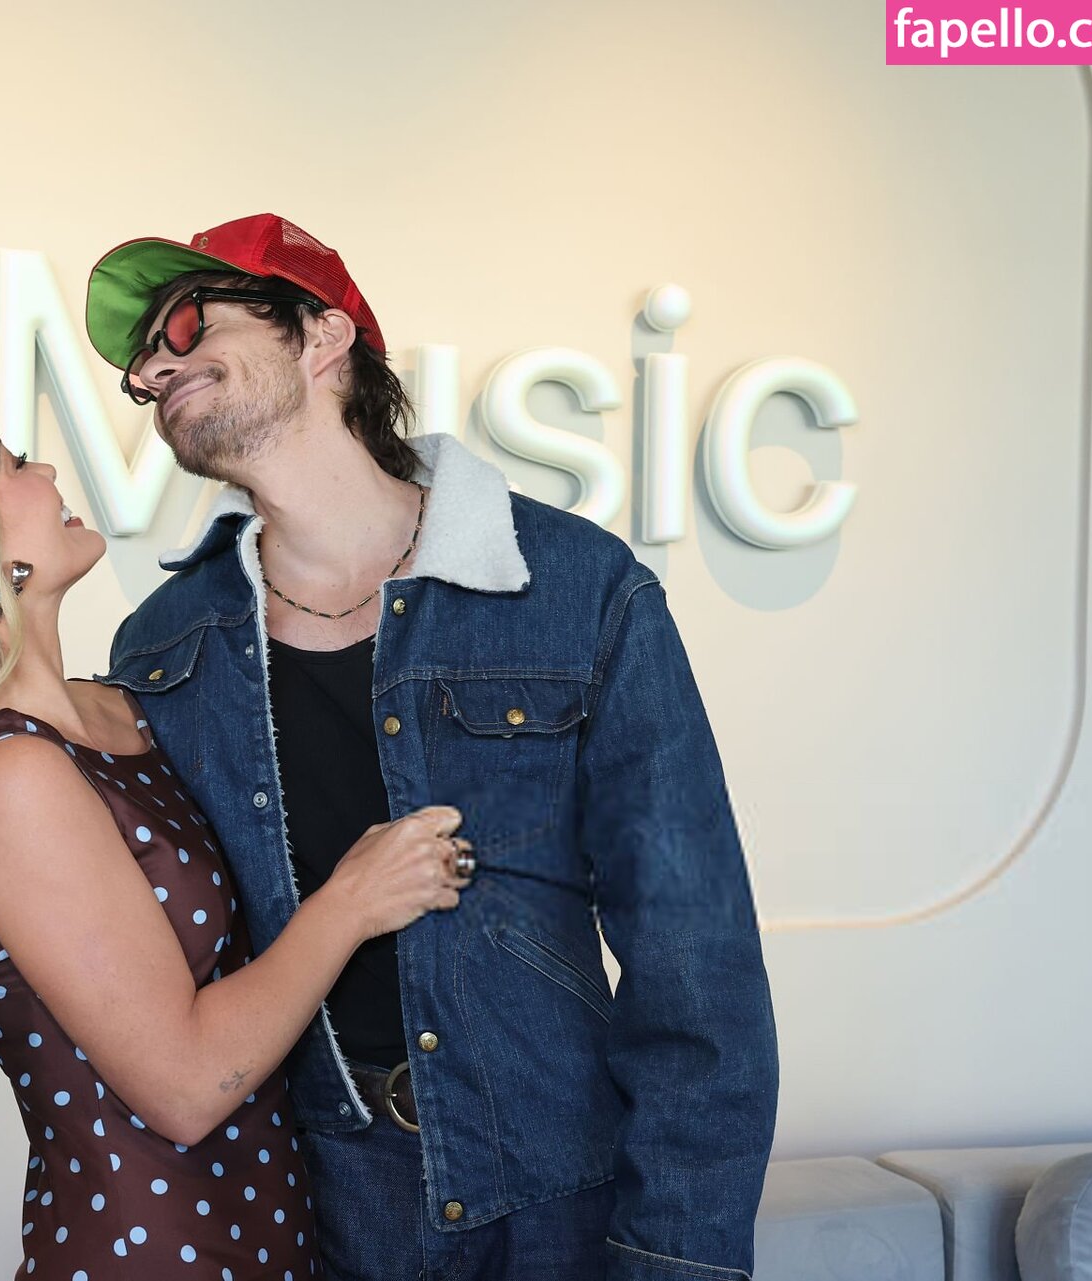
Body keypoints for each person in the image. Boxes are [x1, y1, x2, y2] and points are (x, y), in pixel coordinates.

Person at [84, 213, 780, 1281]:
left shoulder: (578, 589)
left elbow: (696, 961)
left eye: (187, 324)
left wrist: (677, 1255)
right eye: (142, 365)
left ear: (323, 335)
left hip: (558, 1200)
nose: (154, 368)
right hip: (319, 1207)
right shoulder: (164, 649)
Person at [0, 403, 475, 1279]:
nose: (47, 473)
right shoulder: (6, 779)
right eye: (12, 464)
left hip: (270, 1242)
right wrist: (355, 900)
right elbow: (187, 1084)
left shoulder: (120, 708)